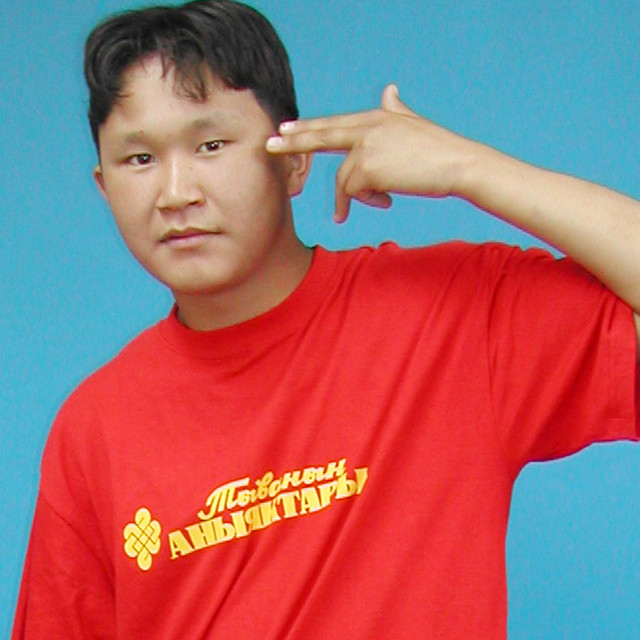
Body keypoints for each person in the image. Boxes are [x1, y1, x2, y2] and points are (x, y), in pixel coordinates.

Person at [11, 0, 639, 638]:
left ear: (295, 159)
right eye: (140, 159)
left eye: (211, 145)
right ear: (103, 186)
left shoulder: (453, 318)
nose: (176, 193)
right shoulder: (93, 431)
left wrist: (469, 168)